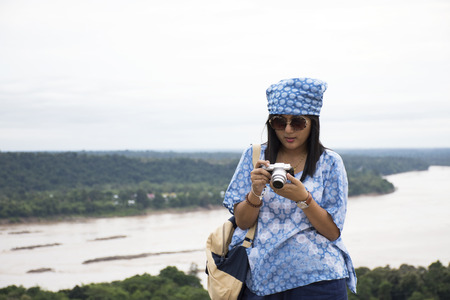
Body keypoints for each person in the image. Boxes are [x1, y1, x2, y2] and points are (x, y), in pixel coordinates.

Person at [223, 78, 357, 299]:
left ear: (312, 123)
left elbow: (332, 232)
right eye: (279, 122)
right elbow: (243, 222)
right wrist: (255, 192)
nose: (287, 130)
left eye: (297, 122)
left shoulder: (330, 162)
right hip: (261, 279)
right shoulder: (254, 156)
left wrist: (304, 198)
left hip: (318, 280)